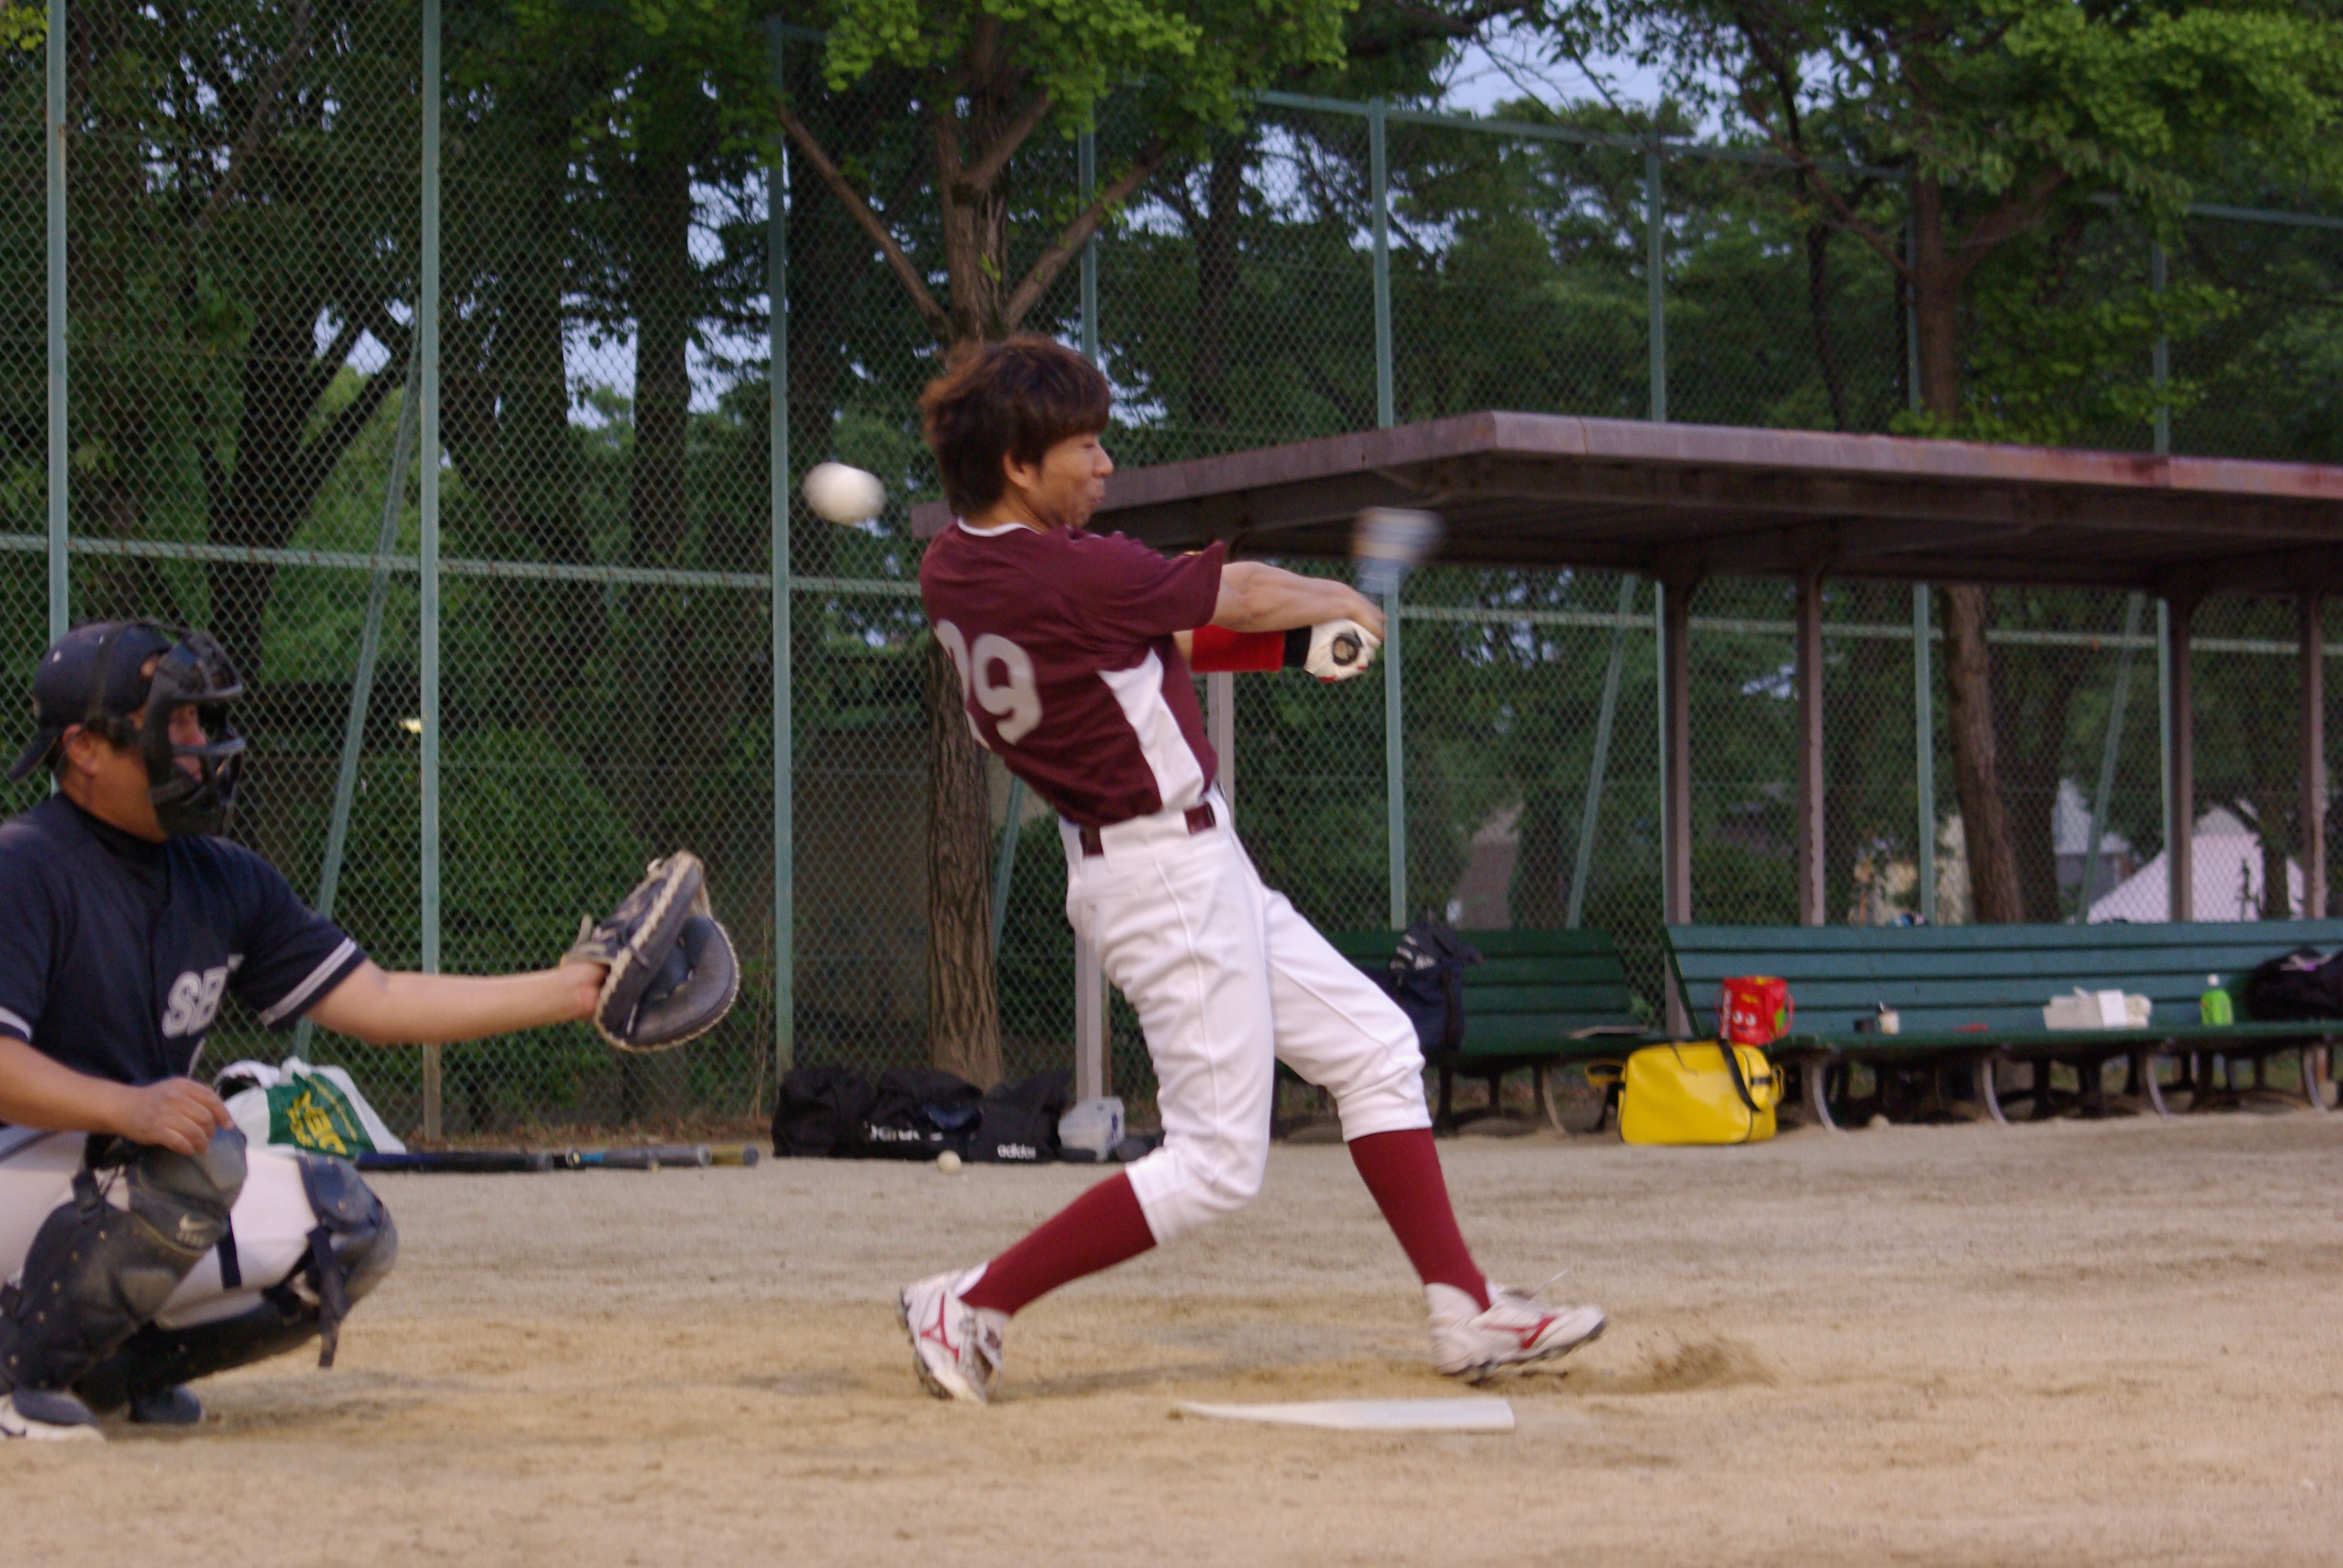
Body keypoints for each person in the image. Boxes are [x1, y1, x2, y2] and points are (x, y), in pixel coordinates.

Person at [901, 336, 1605, 1404]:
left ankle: (1466, 1309)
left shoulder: (954, 566)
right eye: (1083, 447)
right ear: (1016, 464)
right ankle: (970, 1304)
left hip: (1184, 864)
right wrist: (1335, 599)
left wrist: (1293, 650)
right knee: (1218, 1161)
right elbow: (1231, 593)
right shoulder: (1072, 568)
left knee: (1376, 1050)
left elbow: (1148, 644)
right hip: (1164, 879)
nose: (1104, 464)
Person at [0, 620, 612, 1440]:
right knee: (191, 1159)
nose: (199, 744)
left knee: (346, 1228)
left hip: (101, 1183)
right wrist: (130, 1107)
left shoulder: (222, 877)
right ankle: (18, 1380)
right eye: (174, 721)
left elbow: (381, 1000)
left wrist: (574, 992)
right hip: (21, 1174)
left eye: (201, 720)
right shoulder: (24, 865)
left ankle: (105, 1374)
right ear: (82, 748)